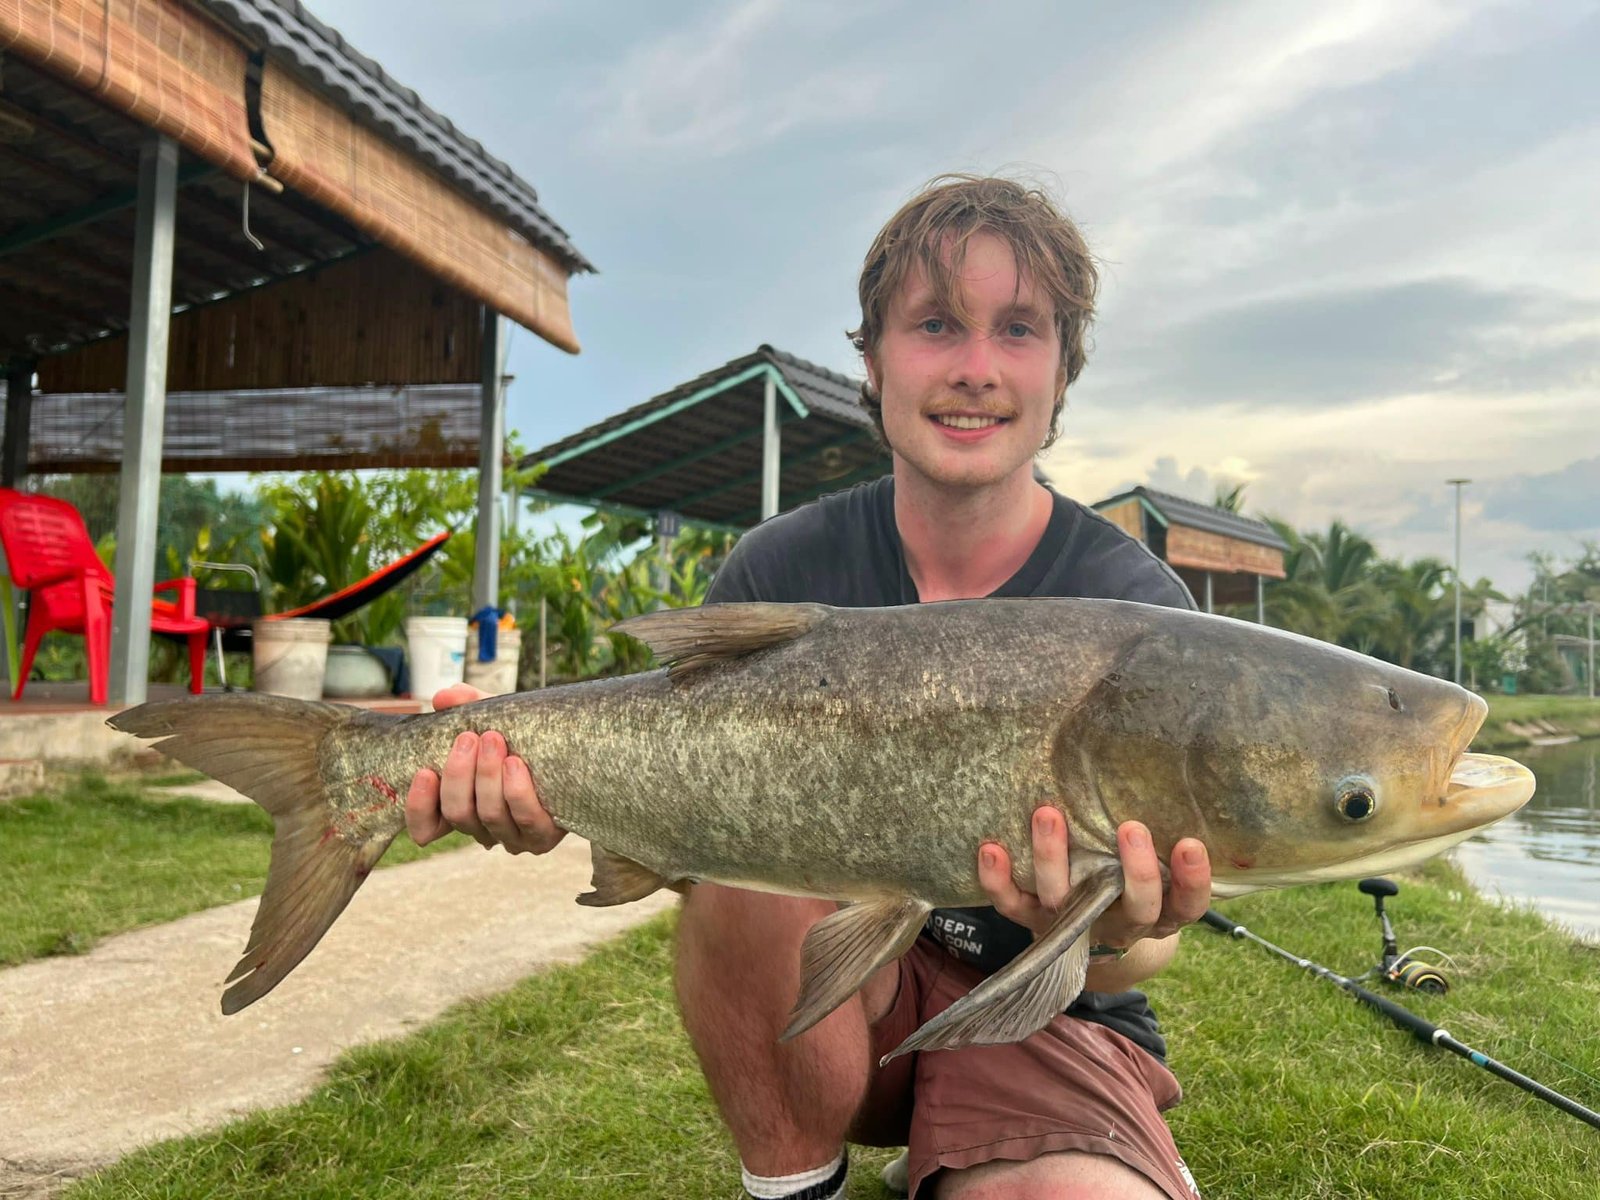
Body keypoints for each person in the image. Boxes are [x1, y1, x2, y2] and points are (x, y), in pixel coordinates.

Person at [406, 174, 1213, 1200]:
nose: (975, 369)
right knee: (745, 884)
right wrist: (547, 794)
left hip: (1049, 1014)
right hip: (846, 1005)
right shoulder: (779, 568)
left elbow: (1148, 955)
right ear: (873, 361)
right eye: (935, 324)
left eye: (1018, 329)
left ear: (1063, 370)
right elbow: (712, 880)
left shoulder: (1135, 612)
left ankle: (1029, 1148)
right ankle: (797, 1186)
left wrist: (1111, 930)